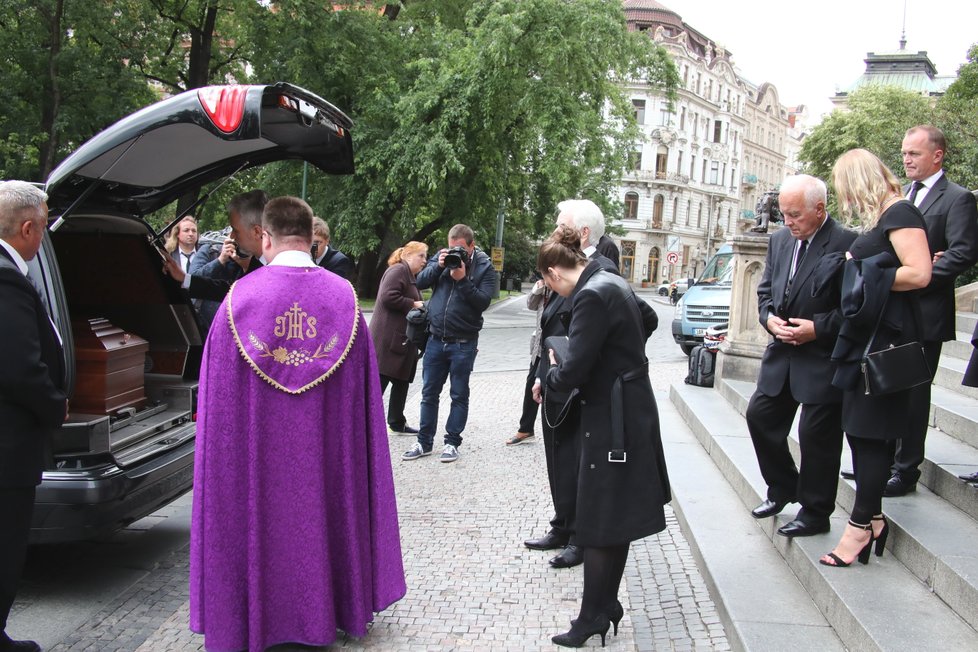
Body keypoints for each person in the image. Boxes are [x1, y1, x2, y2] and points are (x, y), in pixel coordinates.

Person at [189, 196, 406, 651]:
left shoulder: (237, 302)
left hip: (257, 472)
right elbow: (363, 406)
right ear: (311, 238)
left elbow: (219, 410)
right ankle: (335, 608)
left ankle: (248, 614)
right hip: (325, 466)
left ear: (264, 237)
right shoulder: (345, 301)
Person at [535, 225, 670, 646]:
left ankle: (591, 616)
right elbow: (646, 320)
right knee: (616, 513)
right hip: (628, 405)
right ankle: (605, 606)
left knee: (598, 517)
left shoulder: (590, 295)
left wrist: (553, 374)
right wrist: (617, 358)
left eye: (548, 284)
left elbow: (573, 371)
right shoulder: (612, 280)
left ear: (553, 274)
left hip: (612, 415)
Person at [522, 200, 657, 570]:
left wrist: (606, 362)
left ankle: (581, 537)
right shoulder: (569, 266)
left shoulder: (600, 273)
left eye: (561, 225)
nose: (556, 230)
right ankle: (564, 525)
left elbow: (646, 318)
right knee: (560, 459)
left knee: (580, 466)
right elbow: (549, 327)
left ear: (582, 233)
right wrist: (541, 375)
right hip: (558, 377)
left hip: (581, 387)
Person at [821, 149, 931, 568]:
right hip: (868, 339)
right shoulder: (887, 216)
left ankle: (859, 527)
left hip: (885, 344)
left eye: (846, 189)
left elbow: (920, 272)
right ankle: (875, 517)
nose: (845, 200)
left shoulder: (900, 213)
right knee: (860, 431)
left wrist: (859, 272)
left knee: (869, 434)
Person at [745, 174, 856, 537]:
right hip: (781, 353)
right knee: (759, 417)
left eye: (794, 215)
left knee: (816, 438)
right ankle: (783, 487)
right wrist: (768, 319)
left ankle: (815, 512)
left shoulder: (847, 243)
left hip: (822, 357)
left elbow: (855, 309)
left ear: (820, 209)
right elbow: (765, 293)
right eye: (783, 214)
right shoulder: (779, 241)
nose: (786, 222)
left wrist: (817, 328)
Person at [884, 125, 978, 493]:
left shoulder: (957, 198)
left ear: (937, 155)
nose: (906, 159)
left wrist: (918, 275)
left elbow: (963, 251)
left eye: (915, 154)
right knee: (887, 387)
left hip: (926, 314)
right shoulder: (901, 197)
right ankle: (882, 461)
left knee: (913, 395)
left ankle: (906, 471)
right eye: (905, 152)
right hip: (892, 312)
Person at [0, 181, 68, 652]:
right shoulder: (6, 276)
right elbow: (19, 368)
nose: (43, 237)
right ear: (27, 228)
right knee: (5, 546)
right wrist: (54, 405)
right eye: (43, 228)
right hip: (7, 444)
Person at [402, 224, 496, 463]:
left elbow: (483, 302)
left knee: (459, 394)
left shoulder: (485, 266)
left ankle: (452, 442)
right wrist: (440, 265)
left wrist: (463, 280)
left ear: (471, 246)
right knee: (429, 393)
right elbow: (419, 282)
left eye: (461, 249)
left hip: (463, 342)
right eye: (452, 247)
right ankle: (424, 442)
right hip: (435, 338)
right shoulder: (442, 257)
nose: (456, 252)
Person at [164, 190, 268, 301]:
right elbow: (232, 291)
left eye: (236, 231)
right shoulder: (257, 262)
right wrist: (184, 278)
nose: (232, 236)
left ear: (257, 232)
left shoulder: (280, 266)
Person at [369, 241, 428, 435]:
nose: (424, 261)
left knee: (401, 381)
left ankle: (396, 421)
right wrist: (414, 304)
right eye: (421, 256)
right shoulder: (398, 271)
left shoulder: (407, 274)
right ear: (408, 254)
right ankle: (366, 422)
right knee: (380, 382)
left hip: (400, 339)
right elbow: (387, 297)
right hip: (389, 340)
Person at [506, 277, 548, 446]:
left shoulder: (565, 286)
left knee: (554, 389)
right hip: (539, 345)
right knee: (531, 385)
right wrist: (538, 288)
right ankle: (526, 429)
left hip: (554, 347)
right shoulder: (544, 286)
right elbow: (531, 305)